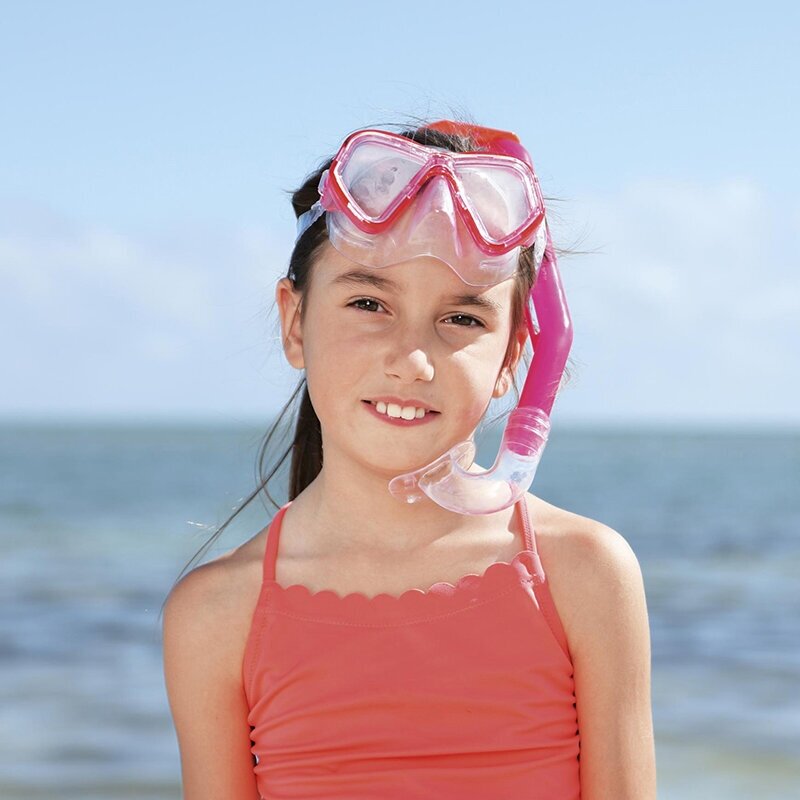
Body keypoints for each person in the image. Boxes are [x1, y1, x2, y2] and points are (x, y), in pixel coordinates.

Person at [161, 115, 657, 799]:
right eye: (369, 303)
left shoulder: (584, 574)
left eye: (462, 318)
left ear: (514, 356)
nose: (412, 360)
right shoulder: (217, 615)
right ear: (294, 323)